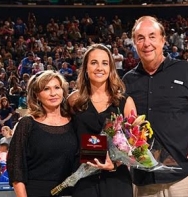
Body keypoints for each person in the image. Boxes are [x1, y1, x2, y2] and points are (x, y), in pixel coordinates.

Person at [122, 16, 188, 196]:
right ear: (134, 43)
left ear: (163, 40)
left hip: (185, 177)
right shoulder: (127, 81)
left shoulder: (187, 71)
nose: (146, 43)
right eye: (140, 38)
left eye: (152, 36)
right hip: (145, 181)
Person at [68, 44, 136, 197]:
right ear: (85, 68)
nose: (99, 68)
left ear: (111, 68)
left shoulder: (125, 102)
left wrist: (115, 164)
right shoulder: (73, 101)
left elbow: (135, 146)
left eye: (105, 63)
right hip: (83, 180)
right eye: (94, 63)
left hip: (117, 179)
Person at [7, 71, 77, 197]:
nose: (53, 93)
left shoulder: (75, 122)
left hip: (71, 192)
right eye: (46, 89)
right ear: (37, 95)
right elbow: (16, 168)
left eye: (57, 87)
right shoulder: (27, 124)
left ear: (63, 91)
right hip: (36, 191)